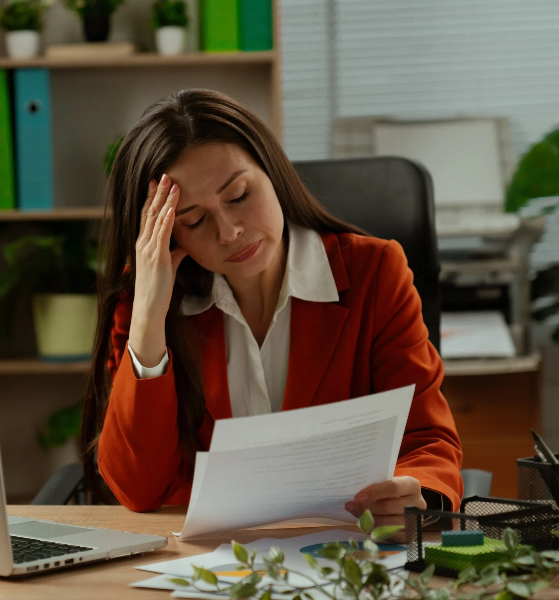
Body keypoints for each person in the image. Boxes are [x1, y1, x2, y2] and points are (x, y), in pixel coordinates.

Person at [80, 89, 462, 532]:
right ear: (168, 236)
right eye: (195, 221)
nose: (230, 231)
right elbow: (140, 490)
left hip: (344, 550)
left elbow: (427, 437)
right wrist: (149, 319)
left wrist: (417, 488)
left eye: (239, 194)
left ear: (272, 172)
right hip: (213, 565)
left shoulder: (375, 273)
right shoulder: (150, 306)